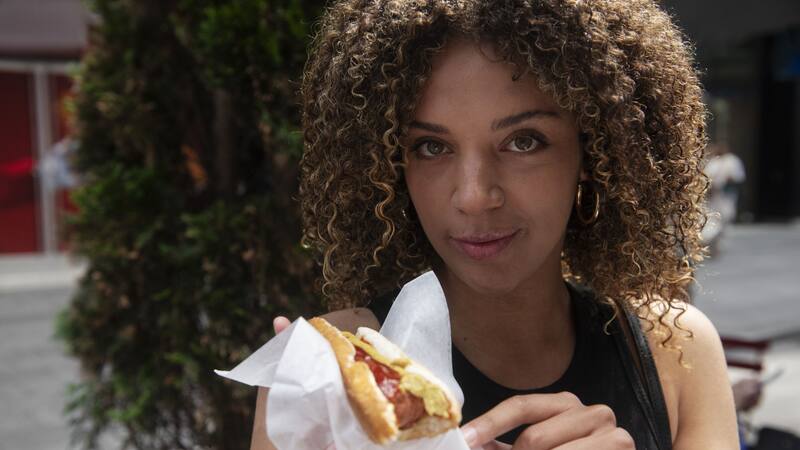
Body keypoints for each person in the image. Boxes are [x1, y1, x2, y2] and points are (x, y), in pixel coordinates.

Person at [252, 1, 739, 448]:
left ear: (595, 148)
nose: (473, 196)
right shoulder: (329, 373)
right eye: (431, 147)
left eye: (524, 141)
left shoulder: (676, 352)